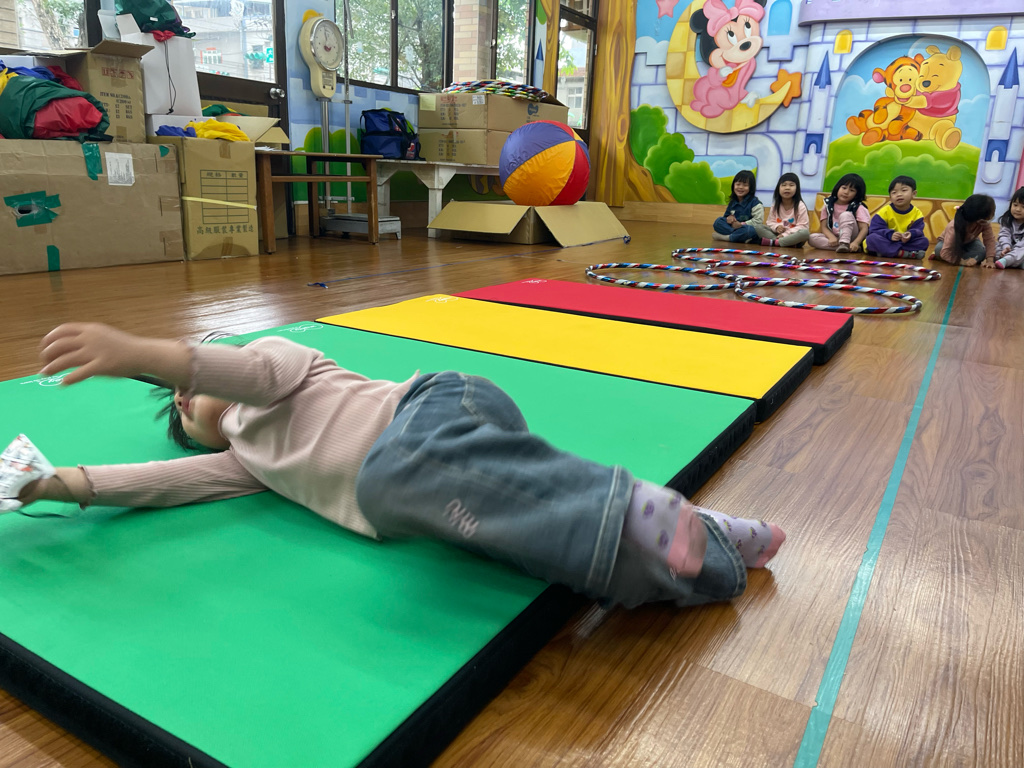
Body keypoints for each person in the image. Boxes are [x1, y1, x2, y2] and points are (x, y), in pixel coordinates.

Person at [16, 323, 786, 610]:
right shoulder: (246, 461)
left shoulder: (275, 366)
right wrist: (48, 485)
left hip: (437, 409)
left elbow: (235, 372)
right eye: (182, 412)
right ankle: (718, 549)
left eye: (185, 389)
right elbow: (161, 485)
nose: (186, 400)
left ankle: (636, 508)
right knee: (547, 557)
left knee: (384, 486)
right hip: (441, 488)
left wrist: (140, 355)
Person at [864, 175, 929, 259]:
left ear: (914, 194)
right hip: (887, 240)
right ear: (890, 198)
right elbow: (874, 230)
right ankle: (902, 253)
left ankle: (886, 252)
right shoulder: (884, 212)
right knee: (871, 239)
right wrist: (890, 235)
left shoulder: (917, 213)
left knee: (924, 241)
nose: (899, 194)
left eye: (904, 190)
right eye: (894, 192)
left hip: (903, 242)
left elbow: (918, 230)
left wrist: (910, 234)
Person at [808, 173, 870, 253]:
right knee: (812, 238)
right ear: (838, 188)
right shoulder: (828, 205)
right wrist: (831, 237)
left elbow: (864, 229)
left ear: (856, 195)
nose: (846, 192)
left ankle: (845, 244)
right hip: (836, 238)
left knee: (845, 215)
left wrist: (856, 242)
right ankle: (847, 248)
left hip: (851, 238)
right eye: (844, 188)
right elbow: (824, 227)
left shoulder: (858, 206)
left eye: (852, 190)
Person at [933, 194, 996, 267]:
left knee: (981, 252)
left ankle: (954, 257)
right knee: (939, 249)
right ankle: (955, 257)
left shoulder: (984, 222)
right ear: (976, 217)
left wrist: (990, 260)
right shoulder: (953, 226)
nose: (986, 222)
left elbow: (989, 240)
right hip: (949, 243)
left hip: (970, 242)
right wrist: (961, 262)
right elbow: (946, 251)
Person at [755, 172, 810, 248]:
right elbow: (770, 222)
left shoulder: (800, 206)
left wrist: (785, 234)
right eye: (784, 185)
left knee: (805, 233)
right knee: (758, 227)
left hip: (793, 236)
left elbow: (803, 226)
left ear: (797, 189)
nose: (787, 188)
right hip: (777, 235)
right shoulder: (775, 205)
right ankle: (784, 243)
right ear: (778, 188)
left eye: (791, 185)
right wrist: (777, 227)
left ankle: (775, 242)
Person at [712, 170, 763, 244]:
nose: (740, 187)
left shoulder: (756, 204)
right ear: (733, 185)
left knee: (750, 230)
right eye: (738, 184)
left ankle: (728, 238)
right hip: (733, 227)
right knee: (718, 221)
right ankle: (738, 237)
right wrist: (729, 218)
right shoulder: (733, 202)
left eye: (745, 185)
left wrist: (741, 224)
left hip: (745, 228)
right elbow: (726, 217)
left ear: (751, 187)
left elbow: (758, 222)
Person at [987, 187, 1024, 270]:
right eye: (1015, 205)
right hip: (1008, 250)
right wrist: (1006, 247)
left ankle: (1007, 261)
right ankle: (1015, 262)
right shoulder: (1007, 219)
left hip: (1019, 250)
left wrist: (1012, 252)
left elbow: (1022, 245)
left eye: (1023, 207)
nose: (1018, 209)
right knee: (992, 246)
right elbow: (1004, 235)